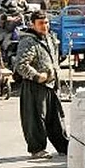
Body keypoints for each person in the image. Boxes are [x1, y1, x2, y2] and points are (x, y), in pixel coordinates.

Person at [14, 10, 69, 159]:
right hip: (35, 86)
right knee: (35, 119)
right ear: (33, 25)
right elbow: (21, 65)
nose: (44, 26)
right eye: (40, 23)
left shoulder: (49, 38)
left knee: (56, 118)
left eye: (46, 23)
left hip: (50, 85)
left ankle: (64, 147)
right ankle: (37, 149)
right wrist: (38, 76)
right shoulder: (28, 41)